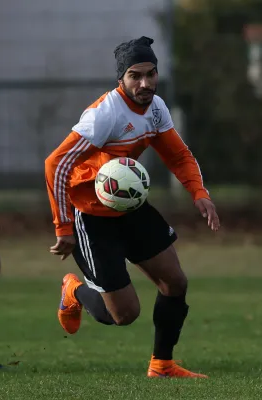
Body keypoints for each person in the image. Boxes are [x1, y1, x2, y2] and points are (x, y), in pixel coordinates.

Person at [45, 36, 220, 378]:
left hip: (130, 208)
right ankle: (73, 290)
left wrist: (199, 193)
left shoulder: (155, 108)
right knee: (122, 315)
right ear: (121, 79)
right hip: (93, 218)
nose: (144, 83)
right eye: (135, 76)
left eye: (150, 74)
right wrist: (63, 228)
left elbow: (179, 155)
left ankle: (162, 364)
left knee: (175, 282)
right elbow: (56, 164)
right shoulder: (104, 115)